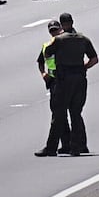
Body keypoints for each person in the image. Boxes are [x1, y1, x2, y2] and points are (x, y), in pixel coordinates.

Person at [38, 11, 98, 157]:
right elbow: (94, 59)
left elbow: (47, 54)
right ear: (72, 22)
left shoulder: (58, 40)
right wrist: (82, 67)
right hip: (80, 79)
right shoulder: (83, 39)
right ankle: (77, 147)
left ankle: (51, 148)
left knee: (59, 114)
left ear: (62, 24)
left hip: (63, 80)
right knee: (76, 113)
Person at [33, 19, 72, 156]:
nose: (54, 32)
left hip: (66, 81)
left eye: (56, 29)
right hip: (54, 82)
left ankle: (53, 147)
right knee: (59, 114)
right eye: (52, 30)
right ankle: (67, 144)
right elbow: (40, 61)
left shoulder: (66, 42)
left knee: (60, 115)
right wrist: (44, 74)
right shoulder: (47, 45)